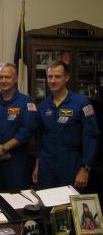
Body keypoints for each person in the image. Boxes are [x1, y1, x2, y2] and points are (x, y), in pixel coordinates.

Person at [32, 60, 100, 190]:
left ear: (66, 78)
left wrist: (85, 169)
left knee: (68, 206)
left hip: (71, 163)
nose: (53, 80)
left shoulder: (82, 104)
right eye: (50, 76)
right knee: (46, 205)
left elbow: (91, 137)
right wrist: (37, 165)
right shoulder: (43, 106)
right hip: (46, 165)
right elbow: (40, 139)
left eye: (57, 76)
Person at [0, 63, 37, 192]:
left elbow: (28, 129)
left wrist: (4, 148)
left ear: (15, 79)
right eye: (1, 77)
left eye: (7, 77)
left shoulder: (27, 102)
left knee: (18, 199)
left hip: (17, 160)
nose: (3, 81)